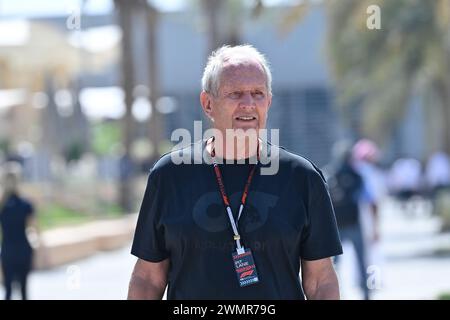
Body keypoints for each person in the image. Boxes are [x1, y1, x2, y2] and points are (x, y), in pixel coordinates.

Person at [128, 44, 343, 300]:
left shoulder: (303, 177)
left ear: (269, 102)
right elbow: (148, 278)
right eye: (235, 94)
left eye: (258, 93)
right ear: (208, 103)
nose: (248, 104)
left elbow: (320, 281)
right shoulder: (169, 175)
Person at [326, 142, 371, 300]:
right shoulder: (357, 176)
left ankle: (337, 295)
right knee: (361, 262)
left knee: (332, 266)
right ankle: (366, 294)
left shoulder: (329, 175)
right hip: (354, 223)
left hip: (336, 226)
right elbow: (364, 197)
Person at [0, 162, 37, 300]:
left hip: (7, 250)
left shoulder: (1, 205)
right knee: (24, 291)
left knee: (8, 291)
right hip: (23, 250)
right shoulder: (26, 204)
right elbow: (33, 229)